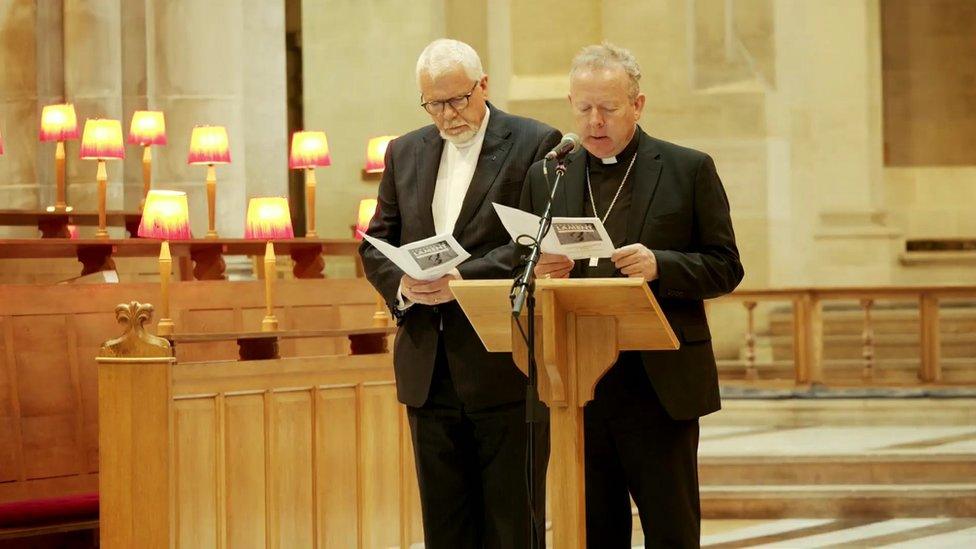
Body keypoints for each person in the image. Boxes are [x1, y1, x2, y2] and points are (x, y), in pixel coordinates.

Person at [520, 42, 744, 547]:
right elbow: (524, 261)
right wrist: (541, 270)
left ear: (637, 105)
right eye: (583, 109)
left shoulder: (688, 169)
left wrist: (662, 265)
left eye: (608, 108)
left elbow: (727, 267)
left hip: (659, 384)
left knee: (671, 530)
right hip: (579, 383)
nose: (594, 122)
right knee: (594, 529)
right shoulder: (549, 175)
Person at [359, 38, 561, 548]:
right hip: (428, 367)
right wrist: (403, 283)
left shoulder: (535, 143)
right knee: (445, 527)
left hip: (503, 363)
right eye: (434, 103)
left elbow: (536, 240)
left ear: (483, 85)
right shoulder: (404, 151)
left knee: (513, 523)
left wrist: (463, 282)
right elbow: (378, 241)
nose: (447, 115)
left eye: (457, 100)